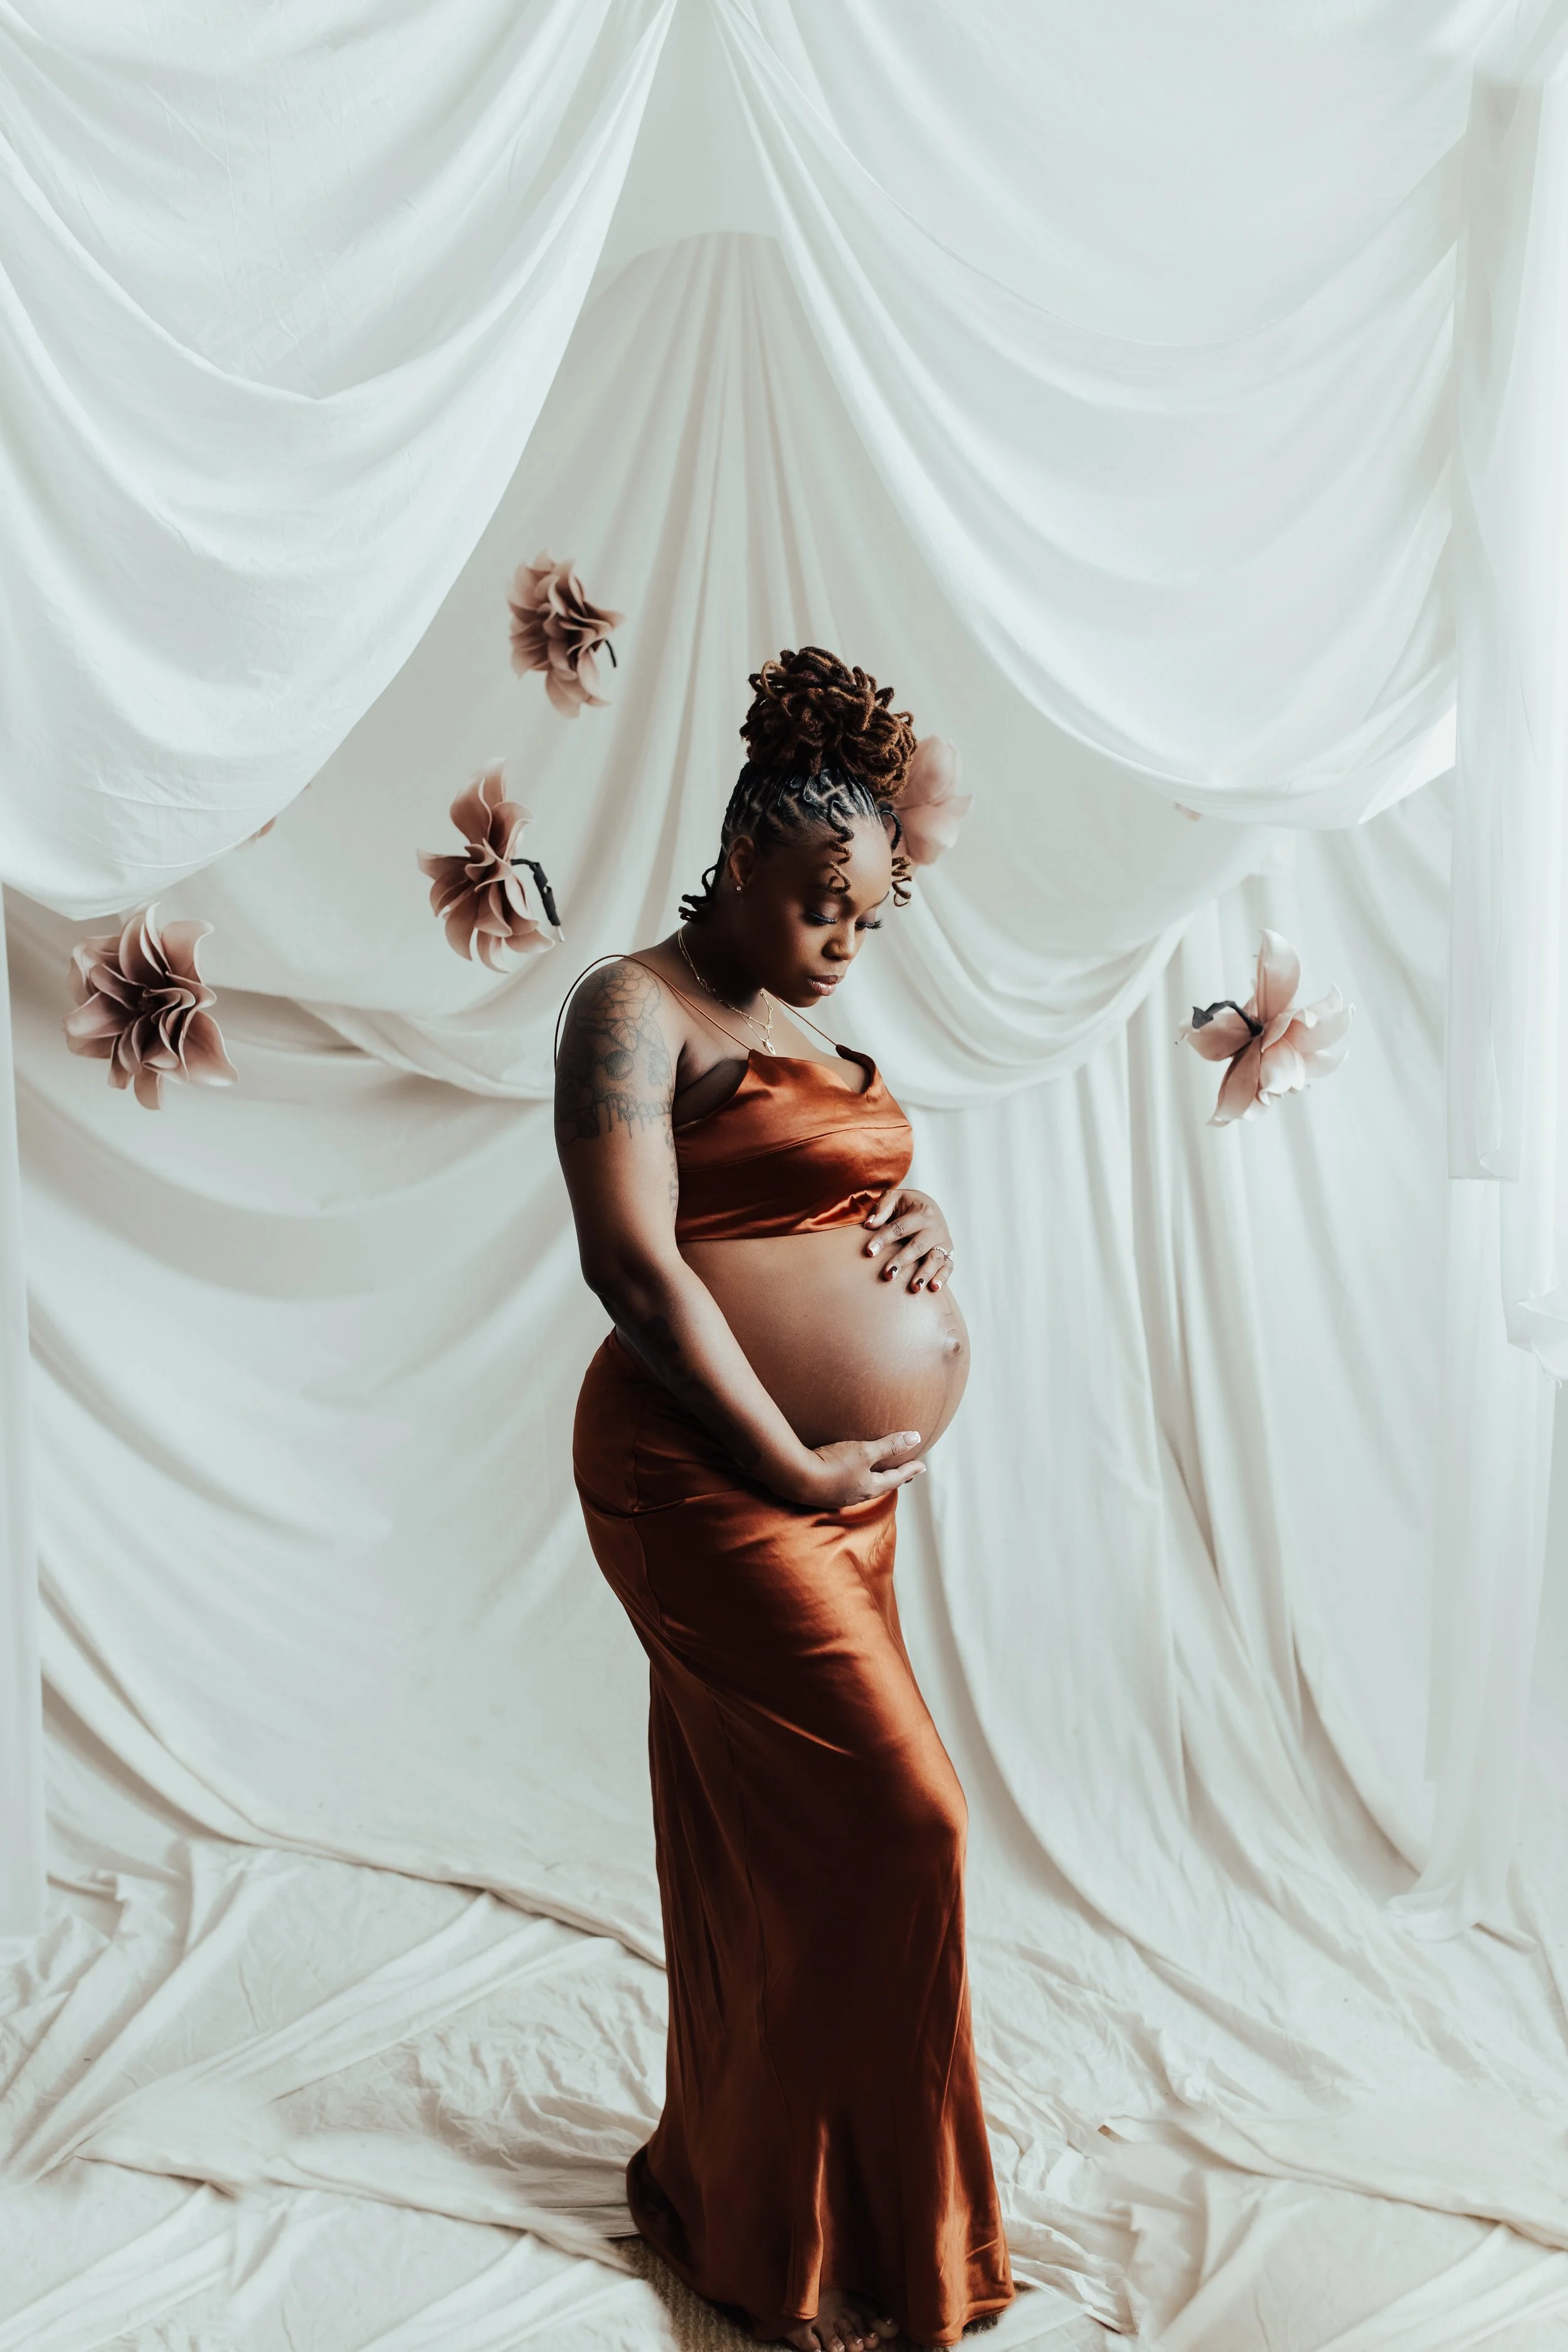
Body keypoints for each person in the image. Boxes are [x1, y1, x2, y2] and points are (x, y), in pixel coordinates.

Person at [555, 647, 1013, 2351]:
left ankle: (786, 2217)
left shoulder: (794, 1032)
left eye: (866, 922)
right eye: (822, 902)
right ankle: (816, 2228)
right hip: (705, 1473)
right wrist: (786, 1455)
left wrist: (922, 1241)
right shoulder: (633, 1008)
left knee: (786, 1846)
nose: (839, 939)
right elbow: (635, 1268)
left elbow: (824, 1207)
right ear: (743, 852)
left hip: (840, 1492)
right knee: (910, 1817)